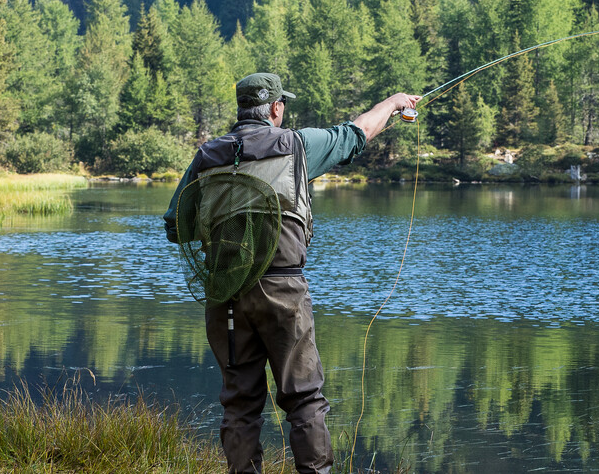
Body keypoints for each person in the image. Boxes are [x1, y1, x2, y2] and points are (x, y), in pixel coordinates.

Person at [163, 72, 420, 474]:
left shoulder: (207, 155)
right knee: (303, 399)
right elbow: (358, 132)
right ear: (276, 109)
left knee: (239, 403)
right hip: (282, 290)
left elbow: (176, 228)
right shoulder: (297, 145)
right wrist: (393, 103)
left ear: (242, 108)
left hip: (225, 298)